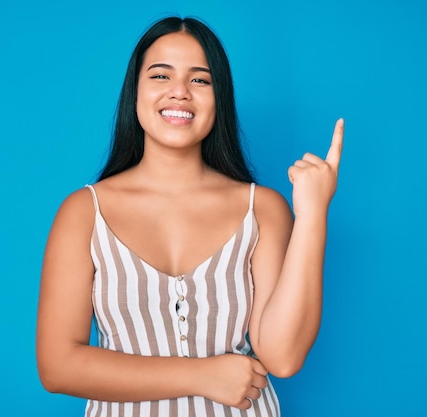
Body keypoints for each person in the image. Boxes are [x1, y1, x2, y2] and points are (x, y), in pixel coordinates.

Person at [36, 16, 343, 417]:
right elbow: (58, 367)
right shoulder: (83, 212)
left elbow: (283, 357)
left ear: (220, 97)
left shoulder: (263, 209)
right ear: (134, 92)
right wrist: (202, 375)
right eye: (161, 76)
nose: (180, 92)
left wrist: (313, 214)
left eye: (200, 80)